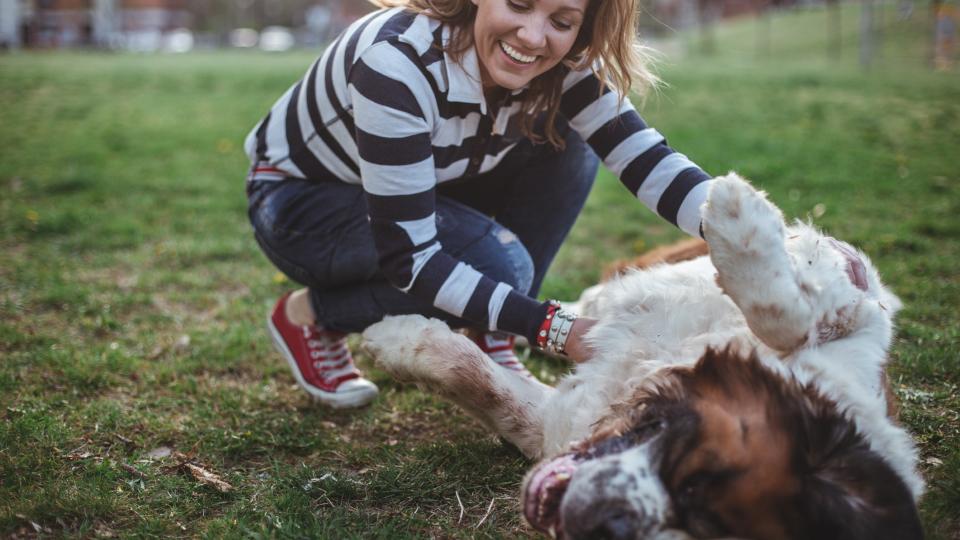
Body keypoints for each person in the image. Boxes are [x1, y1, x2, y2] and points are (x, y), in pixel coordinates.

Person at [244, 0, 713, 408]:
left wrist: (747, 230)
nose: (532, 37)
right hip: (300, 204)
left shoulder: (564, 61)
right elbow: (411, 259)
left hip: (433, 177)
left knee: (567, 138)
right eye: (519, 3)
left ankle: (491, 333)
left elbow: (646, 159)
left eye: (562, 20)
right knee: (501, 267)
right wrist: (553, 326)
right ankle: (310, 316)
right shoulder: (396, 62)